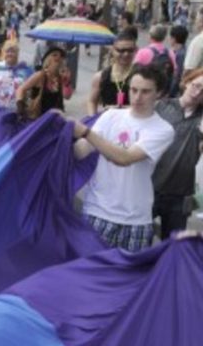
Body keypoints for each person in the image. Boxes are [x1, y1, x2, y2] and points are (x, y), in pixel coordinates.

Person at [73, 65, 174, 252]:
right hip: (97, 211)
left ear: (159, 93)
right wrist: (60, 134)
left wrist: (85, 132)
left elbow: (124, 158)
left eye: (145, 92)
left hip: (136, 220)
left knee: (130, 280)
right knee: (89, 275)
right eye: (134, 90)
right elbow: (82, 151)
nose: (137, 97)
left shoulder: (163, 129)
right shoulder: (110, 116)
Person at [151, 69, 203, 237]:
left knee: (172, 248)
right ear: (186, 82)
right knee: (139, 242)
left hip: (180, 195)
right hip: (149, 187)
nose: (197, 93)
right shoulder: (161, 106)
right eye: (196, 86)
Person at [88, 29, 138, 114]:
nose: (126, 54)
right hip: (108, 124)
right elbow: (91, 101)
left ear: (135, 50)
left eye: (130, 50)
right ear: (113, 50)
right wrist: (93, 119)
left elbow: (150, 105)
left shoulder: (142, 76)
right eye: (121, 50)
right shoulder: (100, 77)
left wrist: (125, 109)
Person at [16, 46, 69, 119]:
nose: (58, 58)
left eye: (61, 56)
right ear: (48, 59)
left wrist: (67, 83)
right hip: (39, 119)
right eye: (55, 55)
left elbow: (67, 96)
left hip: (55, 119)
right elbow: (21, 89)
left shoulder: (59, 77)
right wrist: (20, 106)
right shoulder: (40, 75)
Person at [0, 40, 33, 111]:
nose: (10, 54)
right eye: (7, 51)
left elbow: (31, 91)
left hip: (16, 113)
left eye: (13, 51)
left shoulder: (25, 70)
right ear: (3, 53)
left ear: (17, 53)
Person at [134, 24, 178, 95]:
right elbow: (175, 71)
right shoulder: (170, 52)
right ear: (164, 37)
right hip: (164, 91)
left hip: (146, 90)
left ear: (150, 36)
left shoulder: (143, 52)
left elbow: (134, 70)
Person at [169, 25, 189, 97]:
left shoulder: (180, 55)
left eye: (170, 37)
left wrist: (170, 93)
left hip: (175, 90)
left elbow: (177, 75)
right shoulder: (181, 50)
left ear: (174, 39)